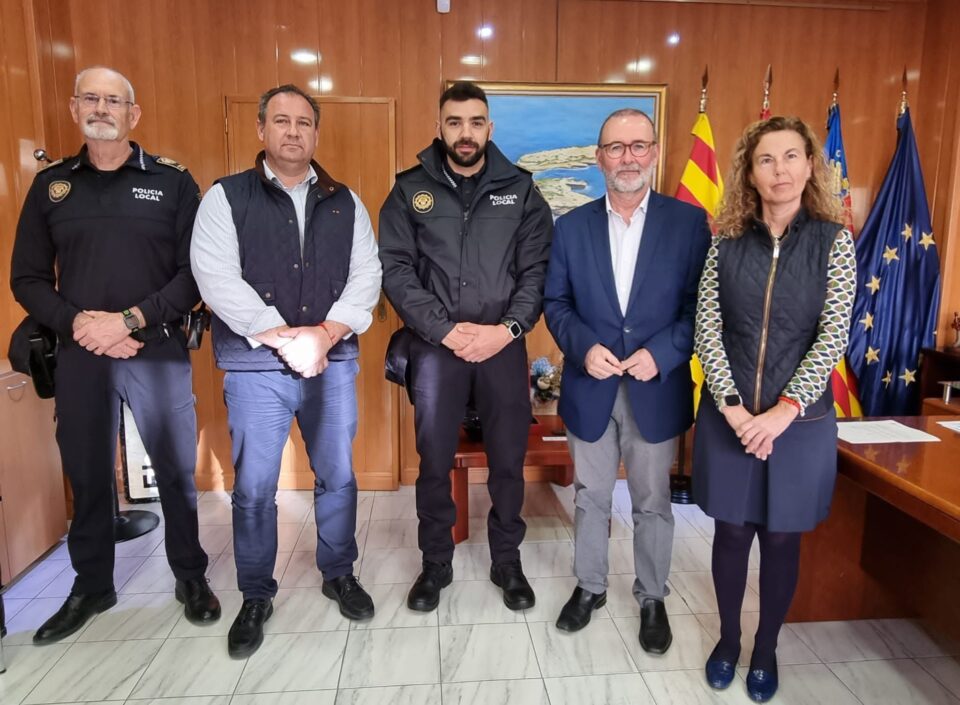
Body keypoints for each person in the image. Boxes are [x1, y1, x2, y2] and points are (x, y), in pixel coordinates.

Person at [11, 66, 220, 644]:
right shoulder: (52, 186)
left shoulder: (172, 182)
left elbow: (195, 274)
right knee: (86, 471)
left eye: (114, 100)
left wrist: (129, 320)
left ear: (134, 114)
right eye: (91, 98)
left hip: (156, 348)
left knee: (175, 471)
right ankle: (92, 585)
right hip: (81, 352)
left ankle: (190, 577)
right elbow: (27, 277)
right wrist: (80, 324)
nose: (101, 108)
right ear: (75, 108)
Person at [191, 84, 382, 658]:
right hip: (256, 367)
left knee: (338, 477)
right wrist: (283, 337)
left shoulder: (345, 202)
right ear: (261, 130)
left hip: (332, 361)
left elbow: (366, 276)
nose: (293, 131)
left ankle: (338, 573)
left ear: (316, 133)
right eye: (281, 120)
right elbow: (215, 278)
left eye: (303, 122)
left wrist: (324, 335)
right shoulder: (225, 198)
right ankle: (255, 594)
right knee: (253, 487)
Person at [693, 116, 856, 702]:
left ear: (810, 166)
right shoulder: (725, 242)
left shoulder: (834, 242)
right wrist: (735, 409)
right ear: (750, 172)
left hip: (800, 423)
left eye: (791, 157)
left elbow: (833, 335)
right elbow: (707, 327)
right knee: (732, 533)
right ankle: (728, 640)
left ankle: (765, 649)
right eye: (766, 159)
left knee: (783, 539)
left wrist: (783, 411)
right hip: (729, 418)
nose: (779, 170)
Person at [379, 81, 553, 613]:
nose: (465, 133)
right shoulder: (409, 189)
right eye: (454, 122)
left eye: (476, 122)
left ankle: (507, 561)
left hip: (502, 346)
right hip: (436, 349)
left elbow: (536, 271)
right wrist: (445, 330)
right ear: (439, 127)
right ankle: (436, 562)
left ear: (489, 128)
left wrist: (508, 329)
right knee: (434, 461)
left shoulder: (520, 190)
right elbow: (396, 269)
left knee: (508, 460)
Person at [543, 109, 710, 651]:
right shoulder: (570, 227)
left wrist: (661, 354)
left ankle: (652, 595)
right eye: (616, 148)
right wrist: (582, 347)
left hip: (655, 388)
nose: (628, 157)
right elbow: (556, 303)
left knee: (652, 499)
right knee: (590, 495)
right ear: (600, 159)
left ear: (654, 153)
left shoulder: (688, 225)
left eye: (639, 146)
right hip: (590, 385)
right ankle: (589, 586)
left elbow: (700, 308)